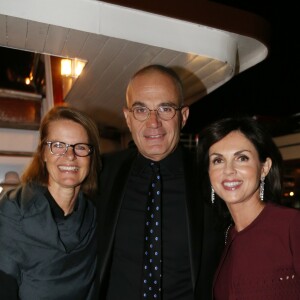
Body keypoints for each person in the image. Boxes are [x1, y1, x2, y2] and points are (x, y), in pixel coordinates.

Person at [96, 64, 224, 299]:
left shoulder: (213, 176)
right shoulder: (103, 172)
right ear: (128, 117)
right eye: (141, 110)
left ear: (183, 116)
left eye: (165, 109)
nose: (153, 122)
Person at [0, 105, 102, 299]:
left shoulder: (93, 216)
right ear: (43, 153)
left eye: (80, 147)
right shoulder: (12, 212)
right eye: (58, 146)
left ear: (91, 156)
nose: (70, 156)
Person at [197, 116, 300, 299]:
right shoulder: (222, 238)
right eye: (218, 160)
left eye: (242, 158)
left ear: (264, 167)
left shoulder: (291, 225)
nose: (228, 170)